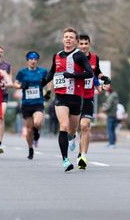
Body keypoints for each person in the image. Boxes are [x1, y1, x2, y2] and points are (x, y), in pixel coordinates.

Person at [45, 27, 94, 172]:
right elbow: (51, 73)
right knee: (64, 126)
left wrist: (72, 75)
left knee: (72, 130)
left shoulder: (79, 56)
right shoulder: (57, 55)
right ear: (62, 39)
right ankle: (65, 160)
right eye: (66, 36)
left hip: (76, 97)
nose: (68, 39)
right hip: (60, 97)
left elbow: (89, 73)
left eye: (71, 37)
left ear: (76, 41)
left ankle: (72, 138)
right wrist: (41, 84)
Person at [77, 34, 111, 169]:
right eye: (81, 43)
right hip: (74, 96)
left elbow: (97, 72)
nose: (84, 46)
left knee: (85, 126)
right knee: (74, 128)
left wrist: (104, 78)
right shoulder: (72, 57)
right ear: (77, 44)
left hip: (88, 95)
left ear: (89, 44)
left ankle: (83, 156)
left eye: (86, 43)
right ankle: (73, 138)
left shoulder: (94, 58)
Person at [13, 51, 49, 160]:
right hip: (26, 104)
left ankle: (37, 133)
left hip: (38, 102)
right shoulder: (22, 72)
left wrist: (48, 92)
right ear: (27, 60)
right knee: (28, 130)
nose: (33, 61)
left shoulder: (42, 71)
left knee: (37, 122)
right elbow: (15, 83)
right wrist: (21, 86)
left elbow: (49, 81)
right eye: (30, 59)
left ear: (37, 61)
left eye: (35, 59)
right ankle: (30, 149)